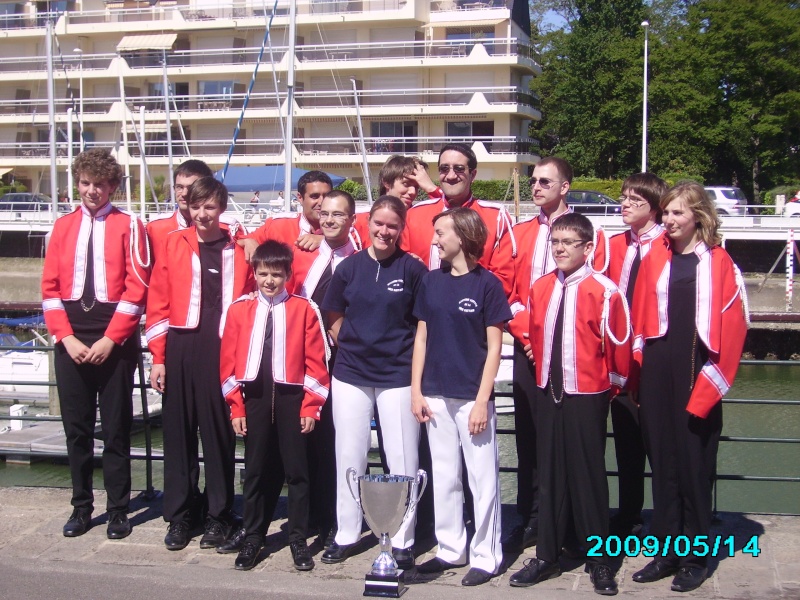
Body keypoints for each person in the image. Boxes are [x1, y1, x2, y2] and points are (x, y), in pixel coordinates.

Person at [630, 182, 748, 593]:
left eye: (677, 213)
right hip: (658, 372)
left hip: (697, 369)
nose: (669, 220)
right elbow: (641, 318)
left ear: (698, 215)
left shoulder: (720, 263)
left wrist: (708, 388)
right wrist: (639, 373)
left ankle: (697, 557)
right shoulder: (654, 256)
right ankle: (666, 550)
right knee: (662, 464)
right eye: (665, 213)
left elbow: (734, 330)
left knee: (694, 467)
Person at [508, 212, 629, 596]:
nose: (559, 249)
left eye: (568, 243)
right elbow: (537, 337)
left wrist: (607, 390)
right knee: (549, 473)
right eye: (555, 242)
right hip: (549, 389)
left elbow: (618, 351)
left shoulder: (605, 291)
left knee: (589, 476)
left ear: (588, 248)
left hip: (588, 394)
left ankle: (600, 561)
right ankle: (547, 554)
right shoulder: (540, 287)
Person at [41, 148, 150, 539]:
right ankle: (81, 507)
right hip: (71, 338)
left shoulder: (129, 226)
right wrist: (65, 337)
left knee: (117, 429)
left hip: (113, 341)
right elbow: (50, 289)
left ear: (113, 187)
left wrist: (111, 338)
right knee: (77, 430)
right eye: (85, 183)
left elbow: (138, 285)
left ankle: (119, 509)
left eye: (99, 184)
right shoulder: (62, 226)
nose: (91, 190)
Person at [146, 176, 255, 551]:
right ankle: (180, 515)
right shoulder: (173, 243)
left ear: (221, 208)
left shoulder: (241, 247)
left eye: (210, 206)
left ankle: (219, 514)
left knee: (219, 434)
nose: (202, 214)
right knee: (178, 434)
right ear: (187, 207)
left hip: (224, 349)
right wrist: (158, 357)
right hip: (181, 345)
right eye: (196, 206)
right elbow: (157, 302)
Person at [504, 156, 606, 553]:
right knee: (530, 438)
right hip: (528, 348)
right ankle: (532, 520)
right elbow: (505, 290)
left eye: (545, 181)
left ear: (565, 186)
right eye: (533, 180)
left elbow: (597, 292)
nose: (536, 187)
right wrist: (529, 336)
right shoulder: (519, 233)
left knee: (573, 444)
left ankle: (577, 528)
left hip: (573, 360)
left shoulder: (587, 232)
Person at [320, 195, 428, 570]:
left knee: (402, 459)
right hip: (351, 374)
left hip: (397, 376)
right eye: (379, 224)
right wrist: (346, 339)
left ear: (401, 229)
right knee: (349, 456)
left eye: (392, 226)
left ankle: (402, 537)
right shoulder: (348, 268)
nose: (385, 231)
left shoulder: (413, 270)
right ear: (367, 224)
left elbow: (422, 324)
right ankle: (347, 533)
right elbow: (332, 310)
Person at [410, 207, 510, 586]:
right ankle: (450, 548)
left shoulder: (488, 285)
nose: (434, 240)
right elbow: (421, 338)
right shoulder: (431, 282)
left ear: (463, 237)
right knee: (445, 476)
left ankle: (487, 555)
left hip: (471, 397)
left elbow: (494, 348)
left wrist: (483, 400)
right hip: (435, 394)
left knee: (482, 479)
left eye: (440, 233)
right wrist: (417, 390)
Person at [220, 240, 330, 572]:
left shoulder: (304, 308)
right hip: (254, 399)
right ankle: (254, 536)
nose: (269, 281)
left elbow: (317, 364)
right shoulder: (239, 309)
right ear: (254, 273)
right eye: (263, 273)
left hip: (291, 401)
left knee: (297, 472)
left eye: (276, 275)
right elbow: (227, 364)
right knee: (254, 471)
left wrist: (311, 407)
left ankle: (297, 537)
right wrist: (235, 407)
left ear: (287, 275)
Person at [604, 172, 668, 538]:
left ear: (655, 209)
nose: (624, 204)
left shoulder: (667, 247)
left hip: (655, 360)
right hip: (619, 360)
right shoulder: (614, 245)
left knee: (659, 445)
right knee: (626, 444)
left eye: (634, 200)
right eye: (623, 197)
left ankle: (665, 519)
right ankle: (628, 513)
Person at [404, 143, 516, 297]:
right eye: (444, 169)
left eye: (459, 169)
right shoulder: (415, 214)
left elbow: (503, 280)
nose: (450, 176)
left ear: (473, 175)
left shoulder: (496, 217)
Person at [146, 159, 244, 266]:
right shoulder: (155, 228)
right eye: (179, 187)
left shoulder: (230, 229)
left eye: (191, 187)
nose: (184, 193)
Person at [240, 171, 337, 259]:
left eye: (326, 196)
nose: (321, 202)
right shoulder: (278, 226)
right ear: (300, 197)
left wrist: (326, 241)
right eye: (314, 196)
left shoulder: (345, 226)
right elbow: (238, 242)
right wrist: (248, 241)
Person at [352, 156, 437, 247]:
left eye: (416, 187)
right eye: (406, 184)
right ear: (387, 183)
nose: (413, 192)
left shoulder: (422, 219)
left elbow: (449, 212)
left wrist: (432, 189)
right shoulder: (358, 221)